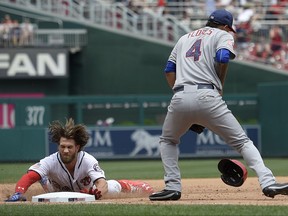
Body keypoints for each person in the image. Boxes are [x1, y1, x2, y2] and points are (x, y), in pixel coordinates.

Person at [149, 9, 288, 201]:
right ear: (225, 26)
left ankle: (172, 186)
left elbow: (169, 70)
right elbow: (223, 57)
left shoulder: (184, 38)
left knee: (168, 141)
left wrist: (183, 96)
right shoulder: (223, 34)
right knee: (242, 142)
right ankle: (267, 182)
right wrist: (219, 83)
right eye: (229, 28)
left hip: (179, 95)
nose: (230, 31)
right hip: (208, 94)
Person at [5, 118, 154, 202]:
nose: (65, 150)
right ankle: (44, 179)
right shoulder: (51, 160)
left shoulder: (87, 160)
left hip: (88, 191)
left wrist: (96, 192)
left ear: (77, 147)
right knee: (48, 186)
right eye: (62, 146)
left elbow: (101, 183)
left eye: (69, 147)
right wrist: (18, 192)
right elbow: (30, 176)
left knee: (111, 187)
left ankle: (131, 185)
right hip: (58, 190)